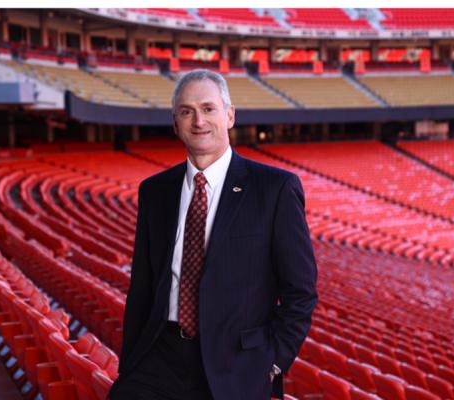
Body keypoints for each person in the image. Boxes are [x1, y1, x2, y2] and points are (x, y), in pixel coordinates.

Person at [108, 69, 318, 400]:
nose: (198, 121)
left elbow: (301, 291)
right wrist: (131, 357)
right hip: (157, 355)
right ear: (175, 122)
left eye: (208, 109)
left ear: (229, 115)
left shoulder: (275, 188)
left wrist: (273, 362)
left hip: (234, 363)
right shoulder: (154, 191)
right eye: (186, 111)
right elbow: (143, 285)